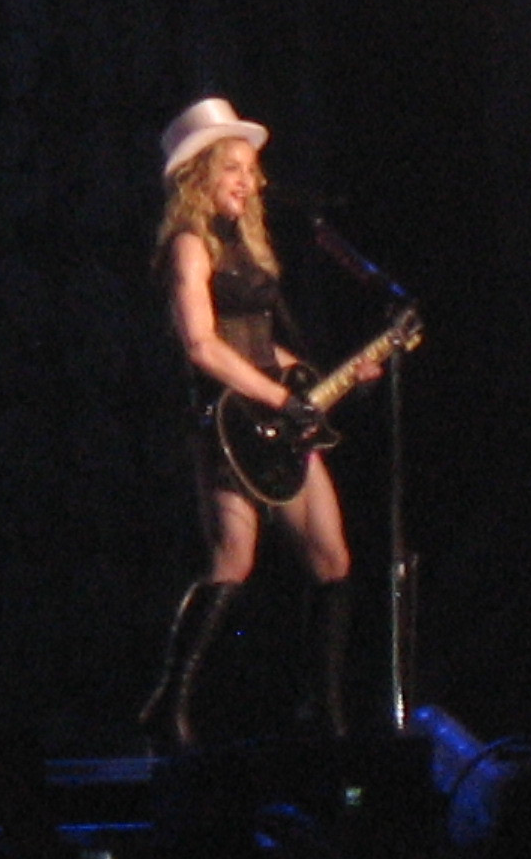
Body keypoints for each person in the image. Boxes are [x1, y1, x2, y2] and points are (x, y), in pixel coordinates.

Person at [137, 97, 379, 748]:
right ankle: (169, 701)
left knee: (332, 558)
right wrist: (278, 397)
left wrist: (331, 376)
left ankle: (322, 714)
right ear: (201, 176)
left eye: (251, 171)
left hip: (272, 415)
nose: (249, 182)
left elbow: (262, 346)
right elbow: (202, 345)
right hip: (227, 421)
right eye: (234, 169)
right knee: (233, 558)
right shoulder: (190, 246)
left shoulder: (247, 246)